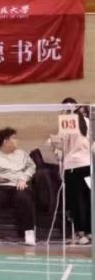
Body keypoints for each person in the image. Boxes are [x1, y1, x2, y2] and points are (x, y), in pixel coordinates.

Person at [0, 127, 37, 246]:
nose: (17, 141)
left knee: (24, 197)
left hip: (19, 185)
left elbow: (32, 167)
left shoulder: (22, 154)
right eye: (14, 138)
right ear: (6, 141)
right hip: (1, 186)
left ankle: (29, 232)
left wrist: (24, 178)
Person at [49, 97, 91, 245]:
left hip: (73, 167)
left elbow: (60, 145)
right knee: (88, 199)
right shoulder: (88, 121)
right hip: (88, 166)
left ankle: (80, 234)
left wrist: (52, 142)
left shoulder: (67, 122)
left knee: (76, 201)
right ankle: (90, 232)